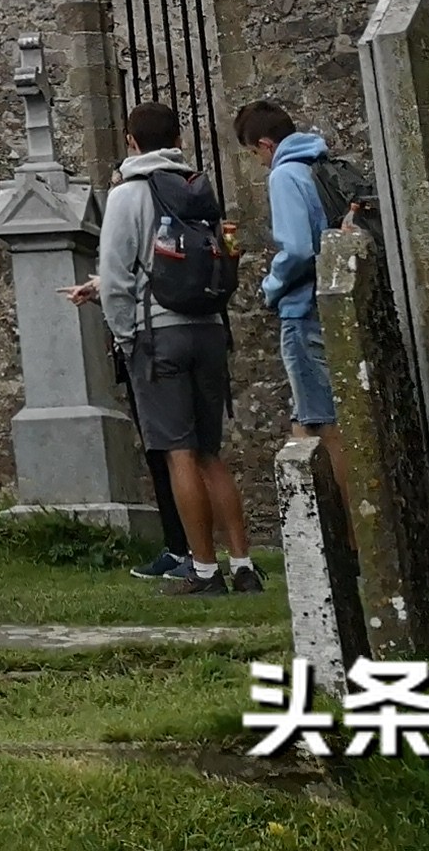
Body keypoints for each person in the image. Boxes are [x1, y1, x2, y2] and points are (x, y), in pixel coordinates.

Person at [73, 100, 258, 595]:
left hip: (160, 335)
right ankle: (243, 564)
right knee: (211, 454)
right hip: (210, 327)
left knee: (178, 452)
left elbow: (116, 276)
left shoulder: (128, 194)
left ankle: (202, 570)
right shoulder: (196, 186)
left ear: (131, 142)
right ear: (176, 137)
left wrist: (125, 335)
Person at [237, 97, 352, 505]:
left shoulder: (286, 175)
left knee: (323, 425)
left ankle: (349, 541)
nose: (257, 163)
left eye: (254, 154)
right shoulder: (320, 166)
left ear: (266, 145)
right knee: (321, 420)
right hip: (334, 303)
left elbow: (299, 249)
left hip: (303, 309)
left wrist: (271, 286)